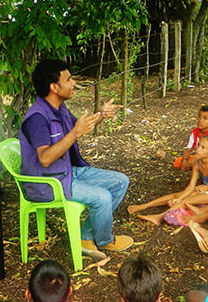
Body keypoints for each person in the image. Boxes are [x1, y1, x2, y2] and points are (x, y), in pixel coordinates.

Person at [19, 59, 131, 259]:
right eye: (69, 79)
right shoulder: (37, 118)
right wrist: (74, 134)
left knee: (120, 181)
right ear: (54, 87)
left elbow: (79, 126)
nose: (73, 84)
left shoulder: (58, 107)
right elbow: (45, 159)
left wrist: (101, 116)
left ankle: (85, 236)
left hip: (67, 171)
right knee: (102, 197)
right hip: (48, 181)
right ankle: (105, 240)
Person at [127, 135, 208, 226]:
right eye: (198, 145)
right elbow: (191, 186)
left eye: (203, 148)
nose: (198, 149)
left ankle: (159, 217)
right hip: (205, 190)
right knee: (177, 195)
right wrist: (179, 198)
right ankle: (143, 206)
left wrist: (207, 188)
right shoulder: (197, 163)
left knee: (187, 200)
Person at [175, 104, 208, 171]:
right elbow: (188, 149)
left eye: (205, 118)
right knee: (178, 162)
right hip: (200, 157)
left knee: (195, 161)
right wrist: (184, 160)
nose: (200, 120)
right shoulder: (195, 132)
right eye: (199, 117)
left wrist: (194, 160)